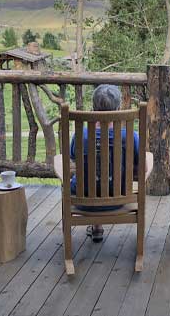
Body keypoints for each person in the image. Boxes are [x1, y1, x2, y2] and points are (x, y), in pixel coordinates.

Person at [69, 84, 138, 243]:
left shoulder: (82, 135)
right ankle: (97, 227)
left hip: (83, 201)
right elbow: (142, 168)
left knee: (92, 175)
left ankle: (97, 227)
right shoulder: (129, 136)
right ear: (119, 107)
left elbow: (72, 158)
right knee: (107, 178)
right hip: (119, 199)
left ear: (93, 108)